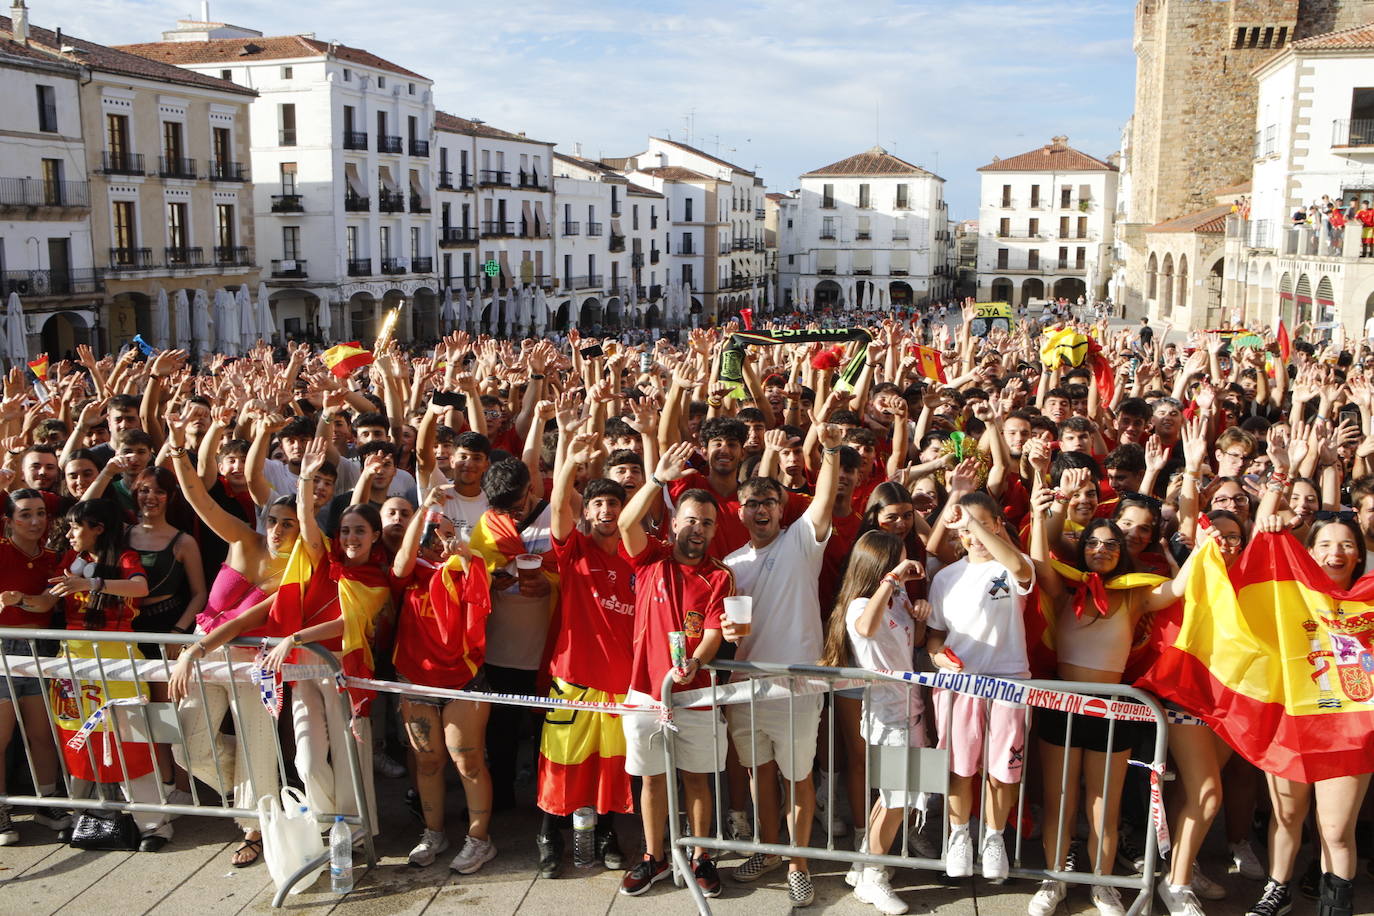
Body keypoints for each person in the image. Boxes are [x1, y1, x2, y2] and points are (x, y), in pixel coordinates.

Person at [164, 414, 298, 868]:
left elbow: (248, 622)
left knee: (258, 746)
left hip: (249, 659)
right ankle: (252, 791)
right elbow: (198, 498)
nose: (278, 530)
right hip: (204, 650)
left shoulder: (295, 573)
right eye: (274, 520)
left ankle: (255, 827)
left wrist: (194, 650)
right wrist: (180, 447)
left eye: (289, 524)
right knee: (188, 746)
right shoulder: (244, 539)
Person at [719, 422, 843, 907]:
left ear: (784, 507)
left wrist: (830, 448)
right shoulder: (730, 564)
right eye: (752, 503)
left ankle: (798, 863)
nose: (762, 509)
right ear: (740, 511)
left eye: (770, 501)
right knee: (758, 773)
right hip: (746, 686)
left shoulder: (801, 541)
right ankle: (769, 849)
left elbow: (827, 497)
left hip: (797, 683)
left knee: (798, 776)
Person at [617, 442, 733, 899]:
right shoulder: (651, 559)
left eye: (707, 523)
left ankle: (701, 856)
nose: (698, 529)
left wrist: (694, 666)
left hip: (695, 694)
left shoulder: (719, 576)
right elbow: (627, 523)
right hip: (646, 693)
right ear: (672, 522)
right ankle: (655, 857)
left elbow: (713, 632)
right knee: (651, 778)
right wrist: (657, 480)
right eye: (690, 520)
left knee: (696, 778)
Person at [1242, 516, 1371, 916]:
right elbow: (1248, 585)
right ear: (1308, 551)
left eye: (1347, 545)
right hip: (1291, 723)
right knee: (1289, 815)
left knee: (1335, 831)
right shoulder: (1284, 596)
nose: (1336, 553)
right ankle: (1276, 892)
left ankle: (1335, 908)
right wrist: (1269, 522)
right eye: (1326, 544)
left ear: (1359, 555)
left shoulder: (1369, 601)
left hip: (1349, 731)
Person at [260, 440, 390, 839]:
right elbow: (305, 517)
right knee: (308, 760)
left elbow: (346, 624)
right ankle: (326, 821)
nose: (351, 538)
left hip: (341, 670)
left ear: (375, 536)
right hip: (304, 668)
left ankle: (357, 828)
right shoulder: (324, 556)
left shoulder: (376, 581)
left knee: (351, 753)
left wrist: (294, 637)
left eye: (360, 532)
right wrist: (304, 478)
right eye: (346, 530)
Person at [534, 426, 636, 878]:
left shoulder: (640, 557)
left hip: (621, 687)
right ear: (588, 513)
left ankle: (607, 835)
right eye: (597, 503)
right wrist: (570, 464)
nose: (606, 510)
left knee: (611, 771)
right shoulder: (573, 550)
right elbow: (558, 507)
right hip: (572, 681)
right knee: (561, 766)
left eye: (613, 503)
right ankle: (548, 837)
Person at [925, 491, 1035, 882]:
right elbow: (935, 637)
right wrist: (938, 657)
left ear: (997, 525)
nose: (971, 535)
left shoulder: (1010, 568)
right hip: (959, 686)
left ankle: (994, 837)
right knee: (959, 767)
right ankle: (959, 837)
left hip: (1008, 684)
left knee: (1002, 770)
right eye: (965, 528)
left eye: (980, 524)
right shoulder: (944, 577)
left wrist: (972, 523)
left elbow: (1018, 567)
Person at [820, 530, 929, 916]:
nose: (905, 564)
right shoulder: (860, 604)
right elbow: (865, 628)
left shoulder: (898, 598)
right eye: (897, 558)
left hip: (912, 708)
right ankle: (875, 876)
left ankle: (863, 864)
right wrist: (892, 580)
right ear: (880, 565)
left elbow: (909, 645)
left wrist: (921, 610)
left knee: (904, 795)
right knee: (898, 798)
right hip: (886, 713)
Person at [391, 487, 498, 873]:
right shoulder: (410, 572)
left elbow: (481, 597)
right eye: (431, 534)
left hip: (464, 681)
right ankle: (433, 833)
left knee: (468, 762)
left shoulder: (472, 565)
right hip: (416, 681)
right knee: (429, 762)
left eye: (447, 532)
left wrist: (463, 554)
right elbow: (402, 561)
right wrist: (424, 509)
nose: (440, 540)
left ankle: (479, 840)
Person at [0, 488, 65, 845]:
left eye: (40, 513)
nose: (35, 521)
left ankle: (48, 801)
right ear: (9, 520)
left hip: (40, 651)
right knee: (2, 736)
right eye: (25, 514)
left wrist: (20, 600)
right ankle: (1, 811)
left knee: (42, 735)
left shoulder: (52, 559)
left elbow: (45, 604)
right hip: (2, 652)